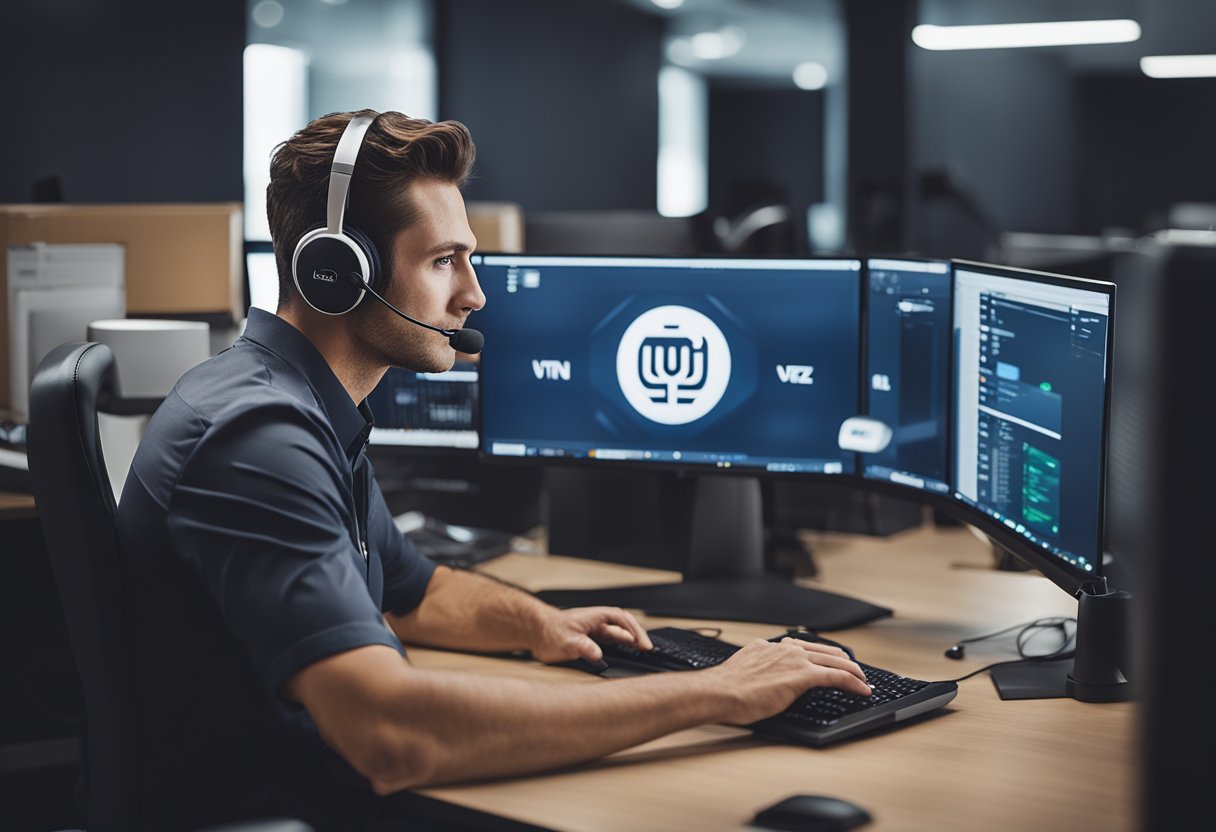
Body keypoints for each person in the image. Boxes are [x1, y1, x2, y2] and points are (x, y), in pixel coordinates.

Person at [114, 109, 870, 831]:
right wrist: (712, 692)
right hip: (289, 811)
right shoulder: (260, 439)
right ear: (337, 272)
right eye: (445, 261)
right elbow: (390, 735)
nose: (474, 295)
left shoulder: (299, 404)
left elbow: (415, 594)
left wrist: (540, 624)